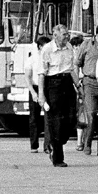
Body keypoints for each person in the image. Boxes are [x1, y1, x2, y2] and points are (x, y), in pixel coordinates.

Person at [37, 24, 78, 167]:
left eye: (67, 34)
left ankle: (57, 142)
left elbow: (72, 69)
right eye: (64, 34)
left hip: (67, 82)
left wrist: (78, 86)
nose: (67, 36)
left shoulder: (69, 48)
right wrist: (41, 95)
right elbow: (41, 73)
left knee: (72, 118)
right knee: (56, 122)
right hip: (53, 84)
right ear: (55, 36)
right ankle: (57, 157)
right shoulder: (47, 49)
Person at [74, 25, 98, 156]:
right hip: (89, 83)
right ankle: (87, 144)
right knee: (91, 115)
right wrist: (77, 84)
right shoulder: (86, 44)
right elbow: (77, 63)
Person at [26, 35, 51, 153]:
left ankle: (47, 145)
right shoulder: (32, 59)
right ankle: (34, 145)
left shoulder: (49, 58)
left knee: (49, 117)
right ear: (40, 47)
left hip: (47, 87)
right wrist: (33, 93)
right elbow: (28, 77)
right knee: (34, 118)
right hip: (35, 88)